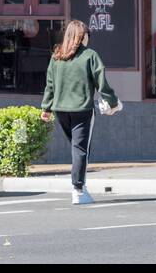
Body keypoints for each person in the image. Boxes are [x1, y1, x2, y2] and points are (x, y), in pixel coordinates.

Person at [40, 19, 119, 205]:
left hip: (60, 110)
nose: (88, 39)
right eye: (87, 35)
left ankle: (80, 186)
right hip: (82, 109)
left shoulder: (57, 55)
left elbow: (49, 85)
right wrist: (113, 102)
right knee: (80, 150)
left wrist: (46, 108)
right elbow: (102, 83)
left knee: (77, 149)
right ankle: (78, 190)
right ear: (82, 36)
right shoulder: (90, 55)